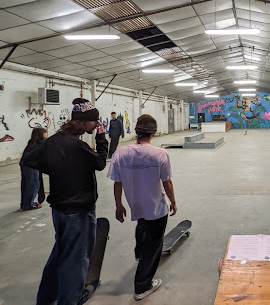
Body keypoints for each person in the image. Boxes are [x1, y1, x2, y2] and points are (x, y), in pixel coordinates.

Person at [24, 98, 108, 305]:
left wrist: (54, 168)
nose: (97, 124)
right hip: (78, 211)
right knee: (76, 260)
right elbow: (100, 162)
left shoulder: (54, 141)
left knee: (60, 254)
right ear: (83, 121)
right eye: (94, 121)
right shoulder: (77, 146)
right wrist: (102, 138)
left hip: (59, 210)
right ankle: (70, 300)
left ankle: (46, 298)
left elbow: (28, 159)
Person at [107, 114, 177, 301]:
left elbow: (117, 182)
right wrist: (173, 201)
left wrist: (118, 205)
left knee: (142, 225)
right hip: (156, 207)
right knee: (154, 244)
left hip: (134, 204)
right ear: (153, 134)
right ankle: (142, 286)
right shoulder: (160, 154)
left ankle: (139, 254)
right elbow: (167, 182)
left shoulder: (120, 153)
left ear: (137, 132)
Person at [19, 127, 46, 211]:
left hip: (25, 164)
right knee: (33, 184)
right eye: (45, 132)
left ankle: (25, 203)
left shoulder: (32, 142)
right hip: (31, 165)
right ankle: (29, 204)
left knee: (26, 184)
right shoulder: (40, 142)